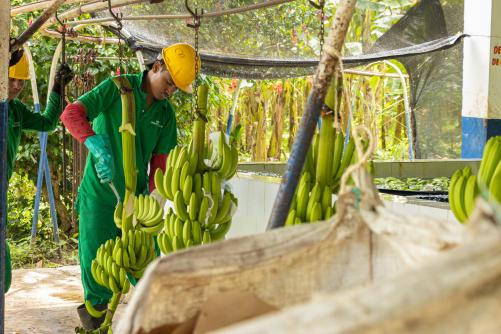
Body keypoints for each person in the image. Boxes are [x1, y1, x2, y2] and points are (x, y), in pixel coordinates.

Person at [60, 43, 199, 330]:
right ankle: (96, 317)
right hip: (100, 193)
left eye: (176, 89)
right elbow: (71, 114)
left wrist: (155, 198)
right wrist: (94, 143)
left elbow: (159, 165)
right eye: (169, 83)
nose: (170, 91)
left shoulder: (165, 114)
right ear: (156, 67)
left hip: (136, 200)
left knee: (148, 261)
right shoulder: (117, 87)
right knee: (97, 263)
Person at [3, 49, 73, 294]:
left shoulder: (16, 110)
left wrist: (57, 88)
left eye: (20, 81)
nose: (17, 85)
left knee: (4, 273)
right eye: (11, 79)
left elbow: (47, 123)